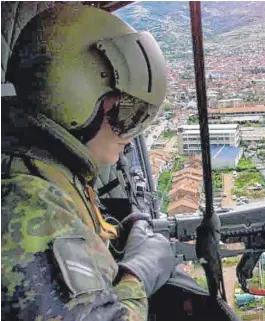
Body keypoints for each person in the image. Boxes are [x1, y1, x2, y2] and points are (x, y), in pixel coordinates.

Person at [2, 4, 174, 320]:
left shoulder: (44, 168)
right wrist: (138, 273)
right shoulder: (28, 200)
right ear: (71, 98)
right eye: (125, 113)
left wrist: (106, 240)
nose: (130, 132)